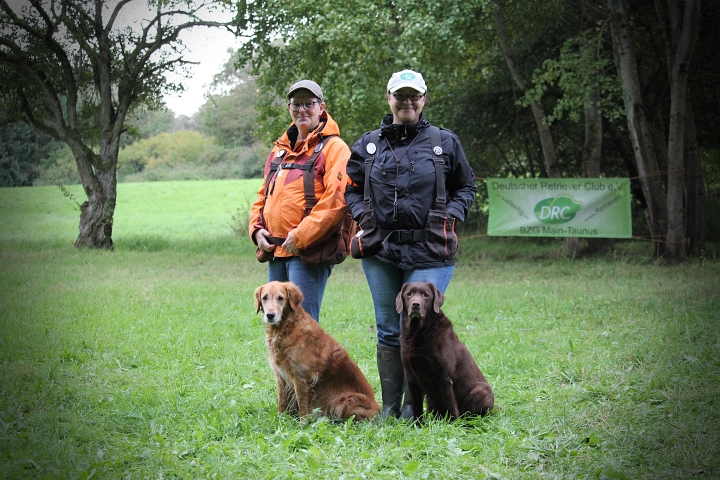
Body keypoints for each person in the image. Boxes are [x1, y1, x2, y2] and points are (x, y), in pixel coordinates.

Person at [345, 69, 477, 418]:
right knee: (389, 328)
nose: (407, 102)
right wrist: (363, 217)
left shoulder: (444, 142)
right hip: (380, 249)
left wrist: (449, 214)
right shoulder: (368, 144)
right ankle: (391, 407)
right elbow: (351, 189)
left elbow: (466, 186)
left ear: (423, 99)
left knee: (421, 326)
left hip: (430, 248)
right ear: (389, 98)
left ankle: (412, 408)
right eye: (400, 95)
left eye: (414, 96)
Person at [249, 80, 351, 322]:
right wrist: (256, 230)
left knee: (302, 325)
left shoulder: (335, 148)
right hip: (275, 250)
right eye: (296, 104)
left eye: (309, 103)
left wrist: (300, 237)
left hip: (309, 251)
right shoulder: (279, 150)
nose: (302, 109)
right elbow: (263, 196)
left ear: (321, 108)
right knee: (277, 322)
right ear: (289, 108)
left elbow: (336, 201)